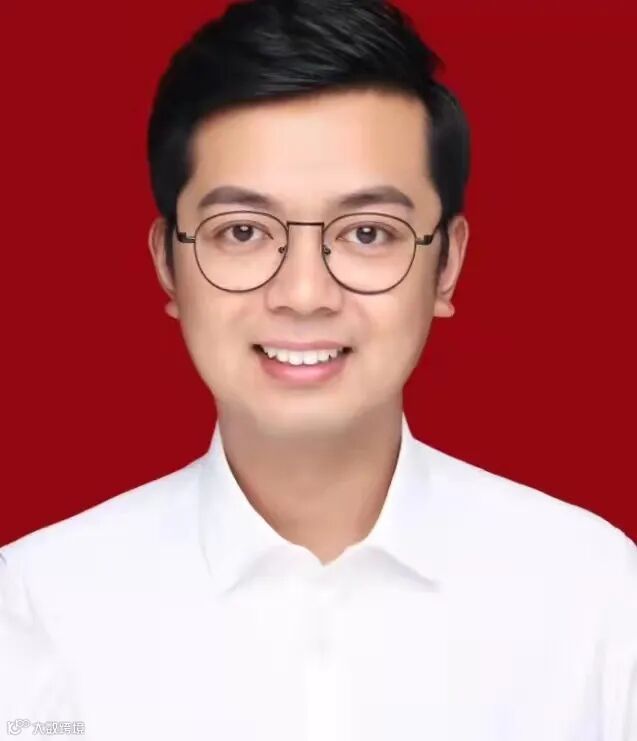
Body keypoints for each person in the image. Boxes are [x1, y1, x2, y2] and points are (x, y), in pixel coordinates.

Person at [1, 0, 635, 739]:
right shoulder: (35, 606)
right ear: (167, 265)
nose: (303, 294)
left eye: (367, 233)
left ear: (446, 265)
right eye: (242, 231)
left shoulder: (593, 595)